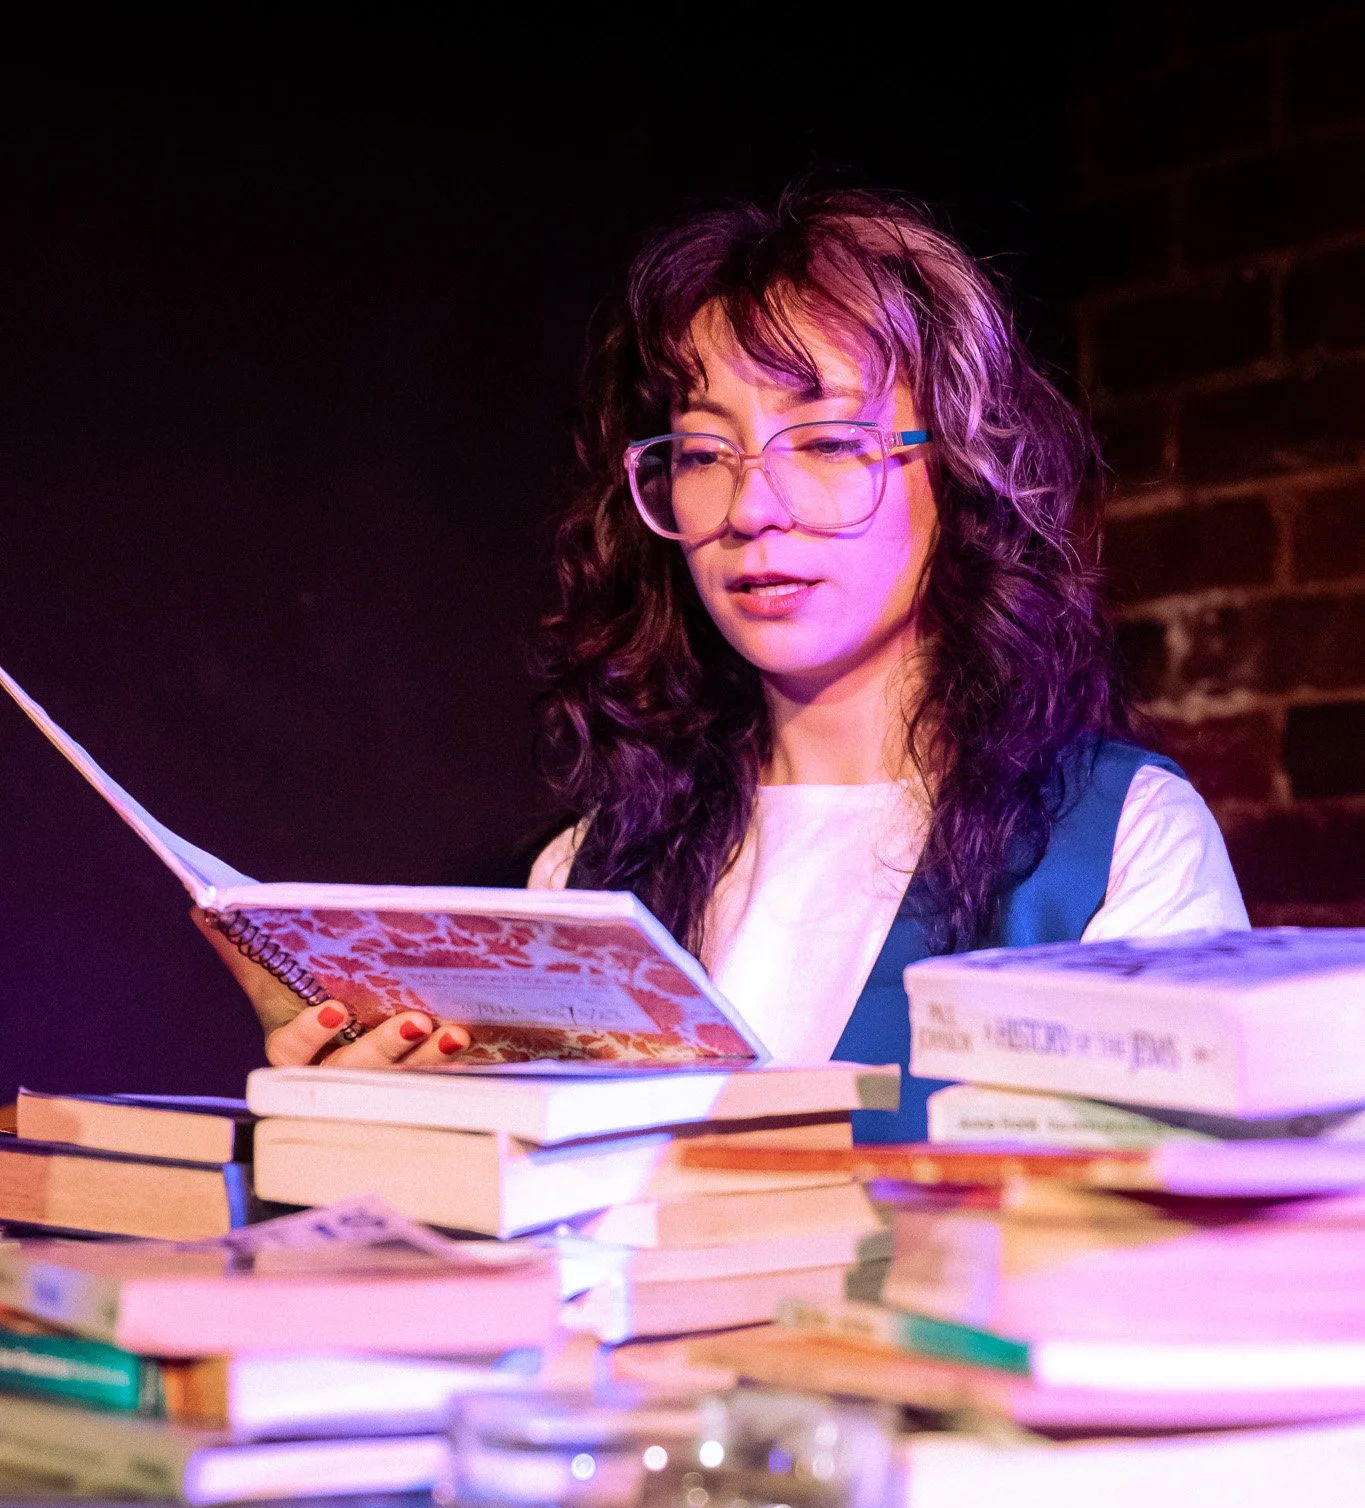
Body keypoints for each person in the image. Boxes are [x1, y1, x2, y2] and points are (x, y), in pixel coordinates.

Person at [204, 186, 1247, 1137]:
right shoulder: (585, 875)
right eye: (703, 453)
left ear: (964, 471)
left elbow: (1174, 1265)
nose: (751, 508)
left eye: (830, 443)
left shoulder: (1118, 845)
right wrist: (382, 1125)